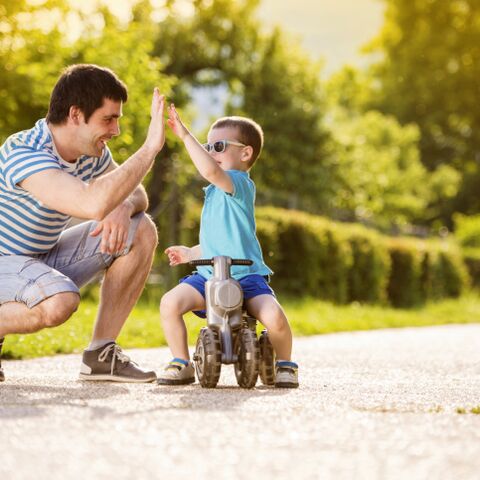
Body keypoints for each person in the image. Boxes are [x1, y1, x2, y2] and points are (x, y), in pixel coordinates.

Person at [0, 64, 166, 383]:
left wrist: (123, 205)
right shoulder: (23, 151)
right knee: (60, 300)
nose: (115, 130)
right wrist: (149, 149)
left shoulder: (91, 153)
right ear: (76, 114)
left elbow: (138, 195)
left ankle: (101, 355)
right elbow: (90, 202)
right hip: (4, 262)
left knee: (140, 228)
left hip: (38, 259)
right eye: (108, 119)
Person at [157, 105, 299, 388]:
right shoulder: (213, 193)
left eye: (218, 146)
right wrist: (191, 252)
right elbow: (217, 242)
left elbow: (209, 171)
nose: (210, 152)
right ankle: (181, 361)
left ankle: (285, 364)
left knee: (274, 317)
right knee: (169, 303)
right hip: (209, 276)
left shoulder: (239, 184)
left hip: (246, 278)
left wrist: (186, 136)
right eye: (208, 146)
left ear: (245, 153)